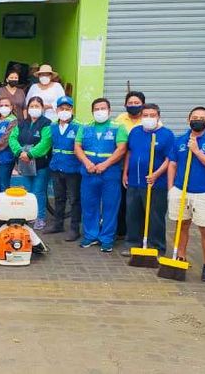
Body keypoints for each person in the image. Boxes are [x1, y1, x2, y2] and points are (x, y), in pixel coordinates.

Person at [167, 106, 205, 281]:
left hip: (204, 193)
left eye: (202, 118)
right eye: (195, 117)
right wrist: (171, 188)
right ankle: (180, 257)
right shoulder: (180, 140)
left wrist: (197, 151)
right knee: (181, 225)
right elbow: (172, 164)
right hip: (181, 190)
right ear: (188, 119)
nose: (198, 120)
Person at [120, 104, 174, 257]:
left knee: (155, 216)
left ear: (158, 117)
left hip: (155, 183)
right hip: (134, 182)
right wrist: (125, 173)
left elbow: (170, 158)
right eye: (145, 115)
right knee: (132, 214)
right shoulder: (135, 132)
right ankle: (132, 243)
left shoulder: (166, 134)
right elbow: (129, 153)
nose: (149, 118)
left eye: (152, 115)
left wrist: (156, 174)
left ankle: (156, 246)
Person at [74, 98, 128, 253]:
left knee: (110, 206)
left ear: (109, 111)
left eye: (103, 108)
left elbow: (121, 149)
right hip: (89, 172)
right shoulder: (85, 127)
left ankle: (107, 238)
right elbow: (77, 147)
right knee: (89, 205)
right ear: (92, 112)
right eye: (97, 109)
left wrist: (105, 164)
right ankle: (90, 235)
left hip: (110, 173)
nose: (100, 111)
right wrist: (87, 163)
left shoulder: (118, 127)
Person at [9, 97, 53, 230]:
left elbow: (45, 142)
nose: (34, 109)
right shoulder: (22, 123)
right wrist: (19, 152)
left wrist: (30, 154)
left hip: (41, 164)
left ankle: (40, 218)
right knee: (28, 191)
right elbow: (12, 138)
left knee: (38, 191)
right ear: (27, 109)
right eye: (31, 106)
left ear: (42, 108)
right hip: (24, 163)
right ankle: (30, 215)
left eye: (37, 106)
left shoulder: (46, 124)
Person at [44, 96, 82, 241]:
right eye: (62, 108)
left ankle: (74, 229)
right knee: (59, 198)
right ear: (57, 110)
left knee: (74, 199)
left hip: (73, 169)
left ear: (72, 110)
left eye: (67, 109)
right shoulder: (52, 126)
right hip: (56, 167)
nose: (64, 111)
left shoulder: (78, 127)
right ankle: (58, 224)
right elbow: (46, 145)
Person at [114, 91, 147, 239]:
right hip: (122, 164)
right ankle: (121, 230)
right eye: (130, 103)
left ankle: (140, 232)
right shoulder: (120, 119)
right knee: (121, 199)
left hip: (142, 166)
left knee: (139, 201)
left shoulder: (149, 119)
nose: (133, 105)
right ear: (125, 104)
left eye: (137, 103)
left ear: (143, 104)